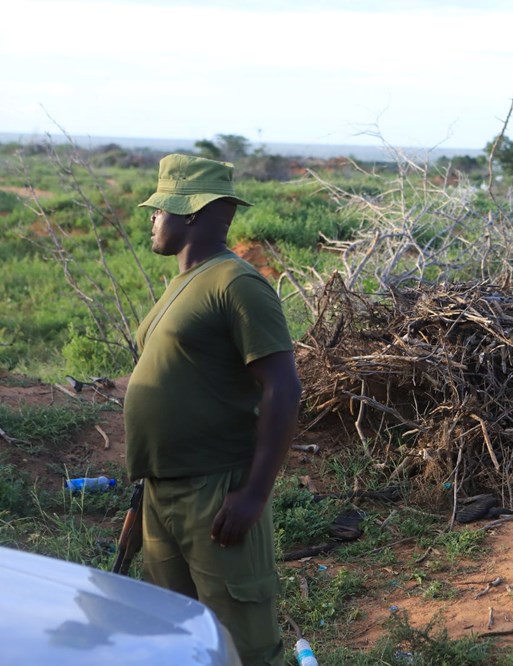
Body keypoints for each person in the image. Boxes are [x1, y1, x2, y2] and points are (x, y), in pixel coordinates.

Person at [126, 154, 302, 664]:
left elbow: (283, 388)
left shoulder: (236, 284)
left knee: (240, 645)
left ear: (193, 214)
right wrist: (144, 495)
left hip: (214, 492)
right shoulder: (182, 283)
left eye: (160, 211)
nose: (152, 220)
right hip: (162, 493)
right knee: (180, 641)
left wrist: (252, 496)